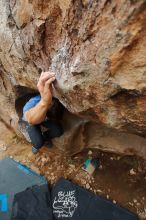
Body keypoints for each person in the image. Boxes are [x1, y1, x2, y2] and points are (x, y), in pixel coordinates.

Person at [22, 71, 64, 154]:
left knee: (58, 131)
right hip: (30, 121)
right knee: (38, 143)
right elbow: (30, 119)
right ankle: (37, 144)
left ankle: (44, 137)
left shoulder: (53, 103)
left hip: (44, 118)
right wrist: (45, 102)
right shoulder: (31, 104)